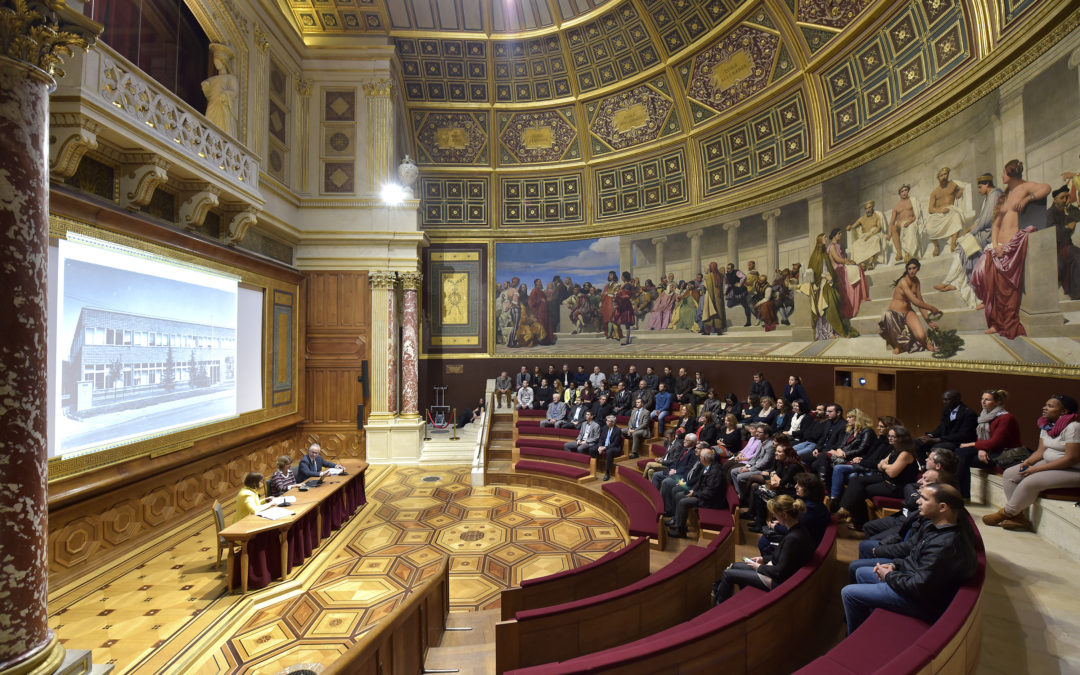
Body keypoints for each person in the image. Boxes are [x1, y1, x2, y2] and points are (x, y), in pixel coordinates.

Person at [841, 483, 977, 634]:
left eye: (924, 499)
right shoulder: (936, 527)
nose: (918, 501)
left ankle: (855, 639)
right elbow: (914, 557)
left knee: (849, 593)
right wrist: (894, 565)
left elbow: (918, 587)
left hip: (921, 602)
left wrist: (889, 575)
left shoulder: (945, 545)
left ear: (943, 507)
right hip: (910, 580)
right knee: (860, 572)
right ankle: (868, 622)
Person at [971, 159, 1051, 338]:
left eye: (1004, 173)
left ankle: (1003, 324)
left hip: (1012, 246)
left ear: (1012, 173)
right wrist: (996, 244)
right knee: (986, 280)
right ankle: (994, 322)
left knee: (1006, 291)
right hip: (1000, 246)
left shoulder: (1024, 188)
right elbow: (996, 224)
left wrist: (1029, 198)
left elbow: (1046, 187)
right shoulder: (1004, 195)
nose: (1001, 176)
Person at [984, 395, 1080, 532]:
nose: (1044, 408)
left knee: (1030, 481)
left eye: (1050, 406)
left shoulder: (1074, 427)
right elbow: (1041, 451)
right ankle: (1018, 518)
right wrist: (1028, 462)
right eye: (1045, 405)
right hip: (1049, 462)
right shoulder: (1046, 425)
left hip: (1073, 470)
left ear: (1064, 411)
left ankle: (1007, 513)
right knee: (1010, 473)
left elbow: (1071, 459)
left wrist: (1036, 470)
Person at [712, 495, 815, 604]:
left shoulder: (793, 539)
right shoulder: (797, 528)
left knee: (727, 574)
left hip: (778, 581)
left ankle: (720, 604)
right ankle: (737, 594)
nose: (774, 516)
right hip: (775, 570)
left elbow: (780, 572)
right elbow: (785, 557)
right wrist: (763, 559)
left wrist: (759, 567)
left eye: (775, 513)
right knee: (735, 566)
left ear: (784, 515)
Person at [835, 425, 920, 530]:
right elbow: (880, 466)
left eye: (893, 437)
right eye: (889, 436)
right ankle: (846, 511)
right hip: (887, 480)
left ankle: (856, 519)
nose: (890, 438)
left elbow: (892, 473)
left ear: (902, 438)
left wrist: (885, 466)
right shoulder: (894, 450)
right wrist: (886, 467)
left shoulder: (905, 453)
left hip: (898, 487)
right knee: (855, 480)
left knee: (862, 489)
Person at [955, 389, 1021, 498]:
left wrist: (973, 445)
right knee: (960, 452)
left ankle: (961, 495)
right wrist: (981, 449)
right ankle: (961, 495)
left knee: (962, 457)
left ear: (998, 402)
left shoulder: (1006, 418)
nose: (983, 401)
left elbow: (996, 442)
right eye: (982, 398)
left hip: (1003, 453)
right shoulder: (985, 415)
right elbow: (982, 437)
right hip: (989, 449)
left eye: (987, 399)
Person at [879, 259, 940, 354]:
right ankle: (898, 346)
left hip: (907, 311)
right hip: (894, 314)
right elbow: (915, 301)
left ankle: (925, 342)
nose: (912, 271)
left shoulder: (916, 281)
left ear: (918, 268)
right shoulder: (903, 281)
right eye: (909, 268)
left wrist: (929, 322)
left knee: (921, 336)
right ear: (907, 269)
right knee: (888, 315)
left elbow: (920, 302)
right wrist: (931, 307)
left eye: (914, 268)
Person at [747, 441, 806, 532]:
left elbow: (780, 482)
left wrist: (775, 477)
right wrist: (775, 477)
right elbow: (774, 475)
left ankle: (760, 522)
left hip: (792, 493)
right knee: (756, 488)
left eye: (779, 452)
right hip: (783, 489)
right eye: (776, 451)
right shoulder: (781, 462)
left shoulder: (793, 466)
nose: (776, 453)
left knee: (759, 491)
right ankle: (757, 519)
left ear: (787, 454)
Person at [667, 447, 725, 537]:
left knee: (683, 502)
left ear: (704, 459)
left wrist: (694, 493)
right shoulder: (707, 465)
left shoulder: (715, 472)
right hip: (701, 493)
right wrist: (693, 489)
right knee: (679, 495)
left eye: (701, 457)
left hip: (711, 501)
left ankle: (680, 531)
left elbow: (709, 494)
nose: (699, 458)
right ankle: (679, 523)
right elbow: (699, 481)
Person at [917, 390, 977, 456]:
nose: (944, 402)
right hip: (945, 440)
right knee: (917, 443)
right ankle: (924, 465)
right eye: (943, 400)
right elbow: (941, 427)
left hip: (959, 442)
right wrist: (930, 436)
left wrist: (938, 439)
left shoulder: (968, 413)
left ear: (957, 399)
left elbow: (963, 435)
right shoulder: (946, 411)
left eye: (947, 400)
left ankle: (937, 466)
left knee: (937, 447)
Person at [827, 227, 869, 318]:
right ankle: (855, 298)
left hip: (842, 266)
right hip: (838, 269)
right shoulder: (832, 246)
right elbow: (837, 259)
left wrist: (849, 261)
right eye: (839, 234)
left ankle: (861, 296)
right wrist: (848, 262)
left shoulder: (837, 245)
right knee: (857, 269)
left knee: (858, 269)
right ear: (834, 235)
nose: (841, 235)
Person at [923, 167, 965, 256]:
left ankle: (953, 243)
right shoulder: (934, 192)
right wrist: (940, 210)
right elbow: (930, 209)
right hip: (939, 213)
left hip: (950, 210)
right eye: (941, 175)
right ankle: (936, 246)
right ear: (938, 178)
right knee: (929, 227)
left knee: (956, 216)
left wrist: (959, 193)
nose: (944, 177)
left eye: (945, 174)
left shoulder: (953, 185)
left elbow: (960, 189)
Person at [1049, 184, 1080, 299]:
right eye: (1062, 198)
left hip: (1067, 246)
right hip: (1057, 249)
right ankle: (1076, 293)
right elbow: (1053, 232)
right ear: (1055, 199)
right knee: (1077, 256)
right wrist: (1067, 228)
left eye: (1067, 197)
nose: (1065, 200)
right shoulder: (1051, 214)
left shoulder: (1067, 211)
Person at [202, 44, 239, 136]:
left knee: (222, 128)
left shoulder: (231, 78)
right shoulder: (212, 79)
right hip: (212, 105)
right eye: (215, 61)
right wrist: (205, 87)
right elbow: (209, 95)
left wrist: (226, 94)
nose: (216, 63)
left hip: (222, 106)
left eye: (218, 61)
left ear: (223, 62)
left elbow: (234, 92)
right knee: (209, 127)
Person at [888, 183, 925, 262]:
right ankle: (899, 253)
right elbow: (891, 222)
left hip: (910, 221)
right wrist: (889, 234)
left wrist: (910, 221)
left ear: (908, 191)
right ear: (899, 194)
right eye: (902, 191)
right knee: (893, 227)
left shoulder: (913, 201)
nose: (904, 192)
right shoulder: (896, 207)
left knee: (910, 228)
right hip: (900, 224)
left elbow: (917, 215)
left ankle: (908, 253)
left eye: (906, 190)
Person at [847, 200, 886, 269]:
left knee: (876, 239)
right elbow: (854, 225)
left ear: (873, 207)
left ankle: (870, 263)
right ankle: (862, 264)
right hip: (864, 236)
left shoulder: (877, 216)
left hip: (873, 234)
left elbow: (879, 228)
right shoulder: (862, 218)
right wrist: (850, 227)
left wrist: (870, 235)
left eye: (869, 208)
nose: (868, 210)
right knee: (855, 244)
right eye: (866, 208)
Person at [596, 415, 625, 481]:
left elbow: (615, 443)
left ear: (613, 423)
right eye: (607, 421)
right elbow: (601, 439)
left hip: (615, 448)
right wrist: (600, 446)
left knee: (609, 451)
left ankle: (607, 473)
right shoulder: (605, 428)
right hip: (605, 446)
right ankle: (594, 467)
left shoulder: (617, 430)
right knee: (592, 448)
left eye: (609, 421)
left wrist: (604, 448)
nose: (607, 422)